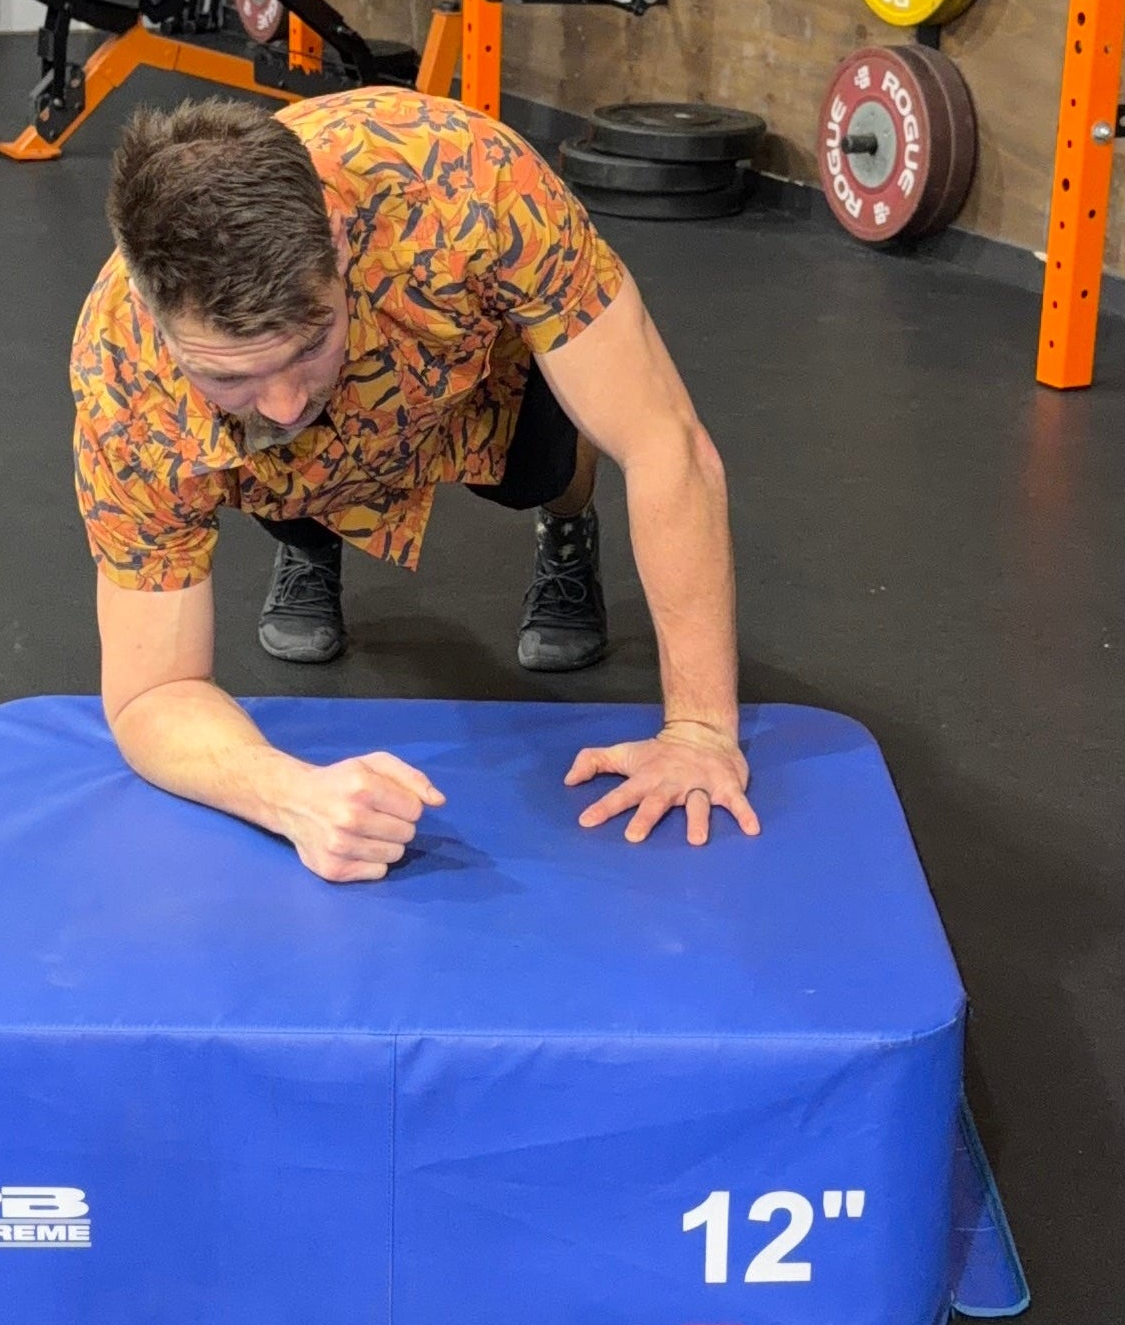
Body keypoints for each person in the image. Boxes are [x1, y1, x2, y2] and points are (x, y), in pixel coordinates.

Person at [71, 86, 760, 882]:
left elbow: (665, 444)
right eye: (230, 374)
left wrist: (701, 731)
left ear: (333, 237)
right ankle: (309, 543)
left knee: (543, 468)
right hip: (291, 477)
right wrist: (289, 796)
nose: (286, 401)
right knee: (266, 453)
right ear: (156, 318)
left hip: (467, 371)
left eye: (308, 343)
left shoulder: (471, 184)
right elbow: (149, 692)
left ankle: (567, 527)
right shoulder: (122, 373)